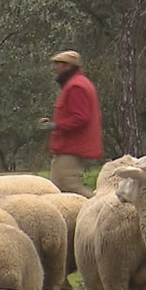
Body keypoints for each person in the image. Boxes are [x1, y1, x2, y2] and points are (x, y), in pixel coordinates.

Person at [38, 50, 100, 198]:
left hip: (71, 148)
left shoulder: (76, 86)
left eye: (57, 64)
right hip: (67, 147)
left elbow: (80, 117)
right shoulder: (75, 84)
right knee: (57, 190)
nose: (53, 68)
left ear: (67, 66)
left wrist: (56, 126)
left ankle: (100, 208)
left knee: (69, 187)